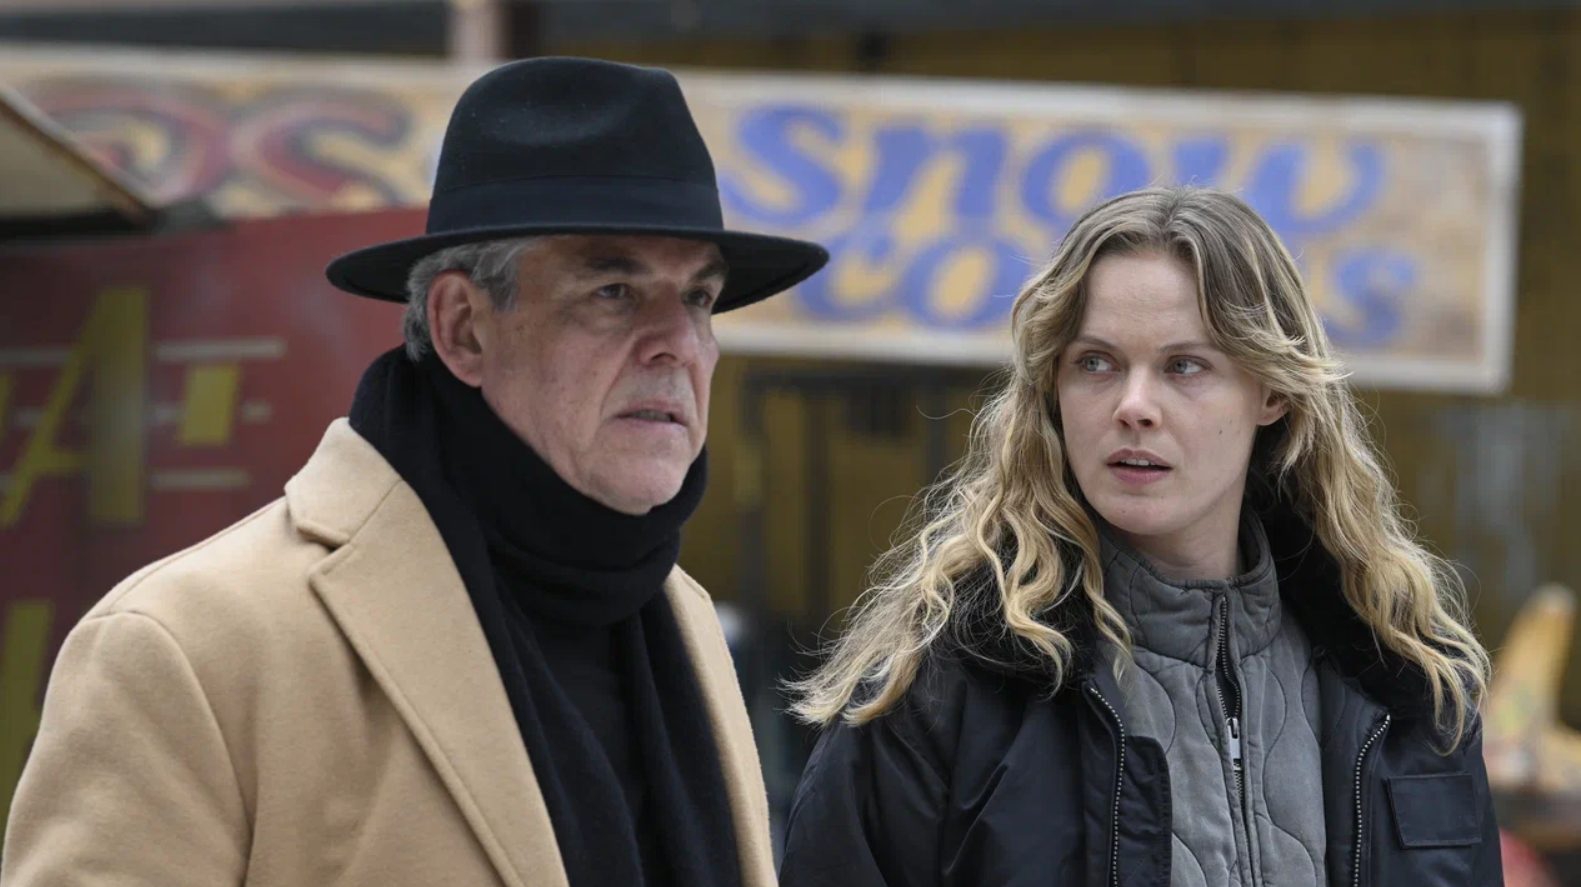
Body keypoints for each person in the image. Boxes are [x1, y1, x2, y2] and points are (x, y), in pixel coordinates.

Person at [2, 57, 826, 887]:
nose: (679, 345)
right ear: (463, 326)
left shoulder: (683, 622)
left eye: (699, 298)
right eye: (614, 291)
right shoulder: (183, 645)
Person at [779, 187, 1500, 887]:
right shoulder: (945, 688)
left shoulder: (1404, 684)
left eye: (1184, 365)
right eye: (1095, 362)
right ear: (1053, 388)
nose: (1133, 406)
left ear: (1272, 391)